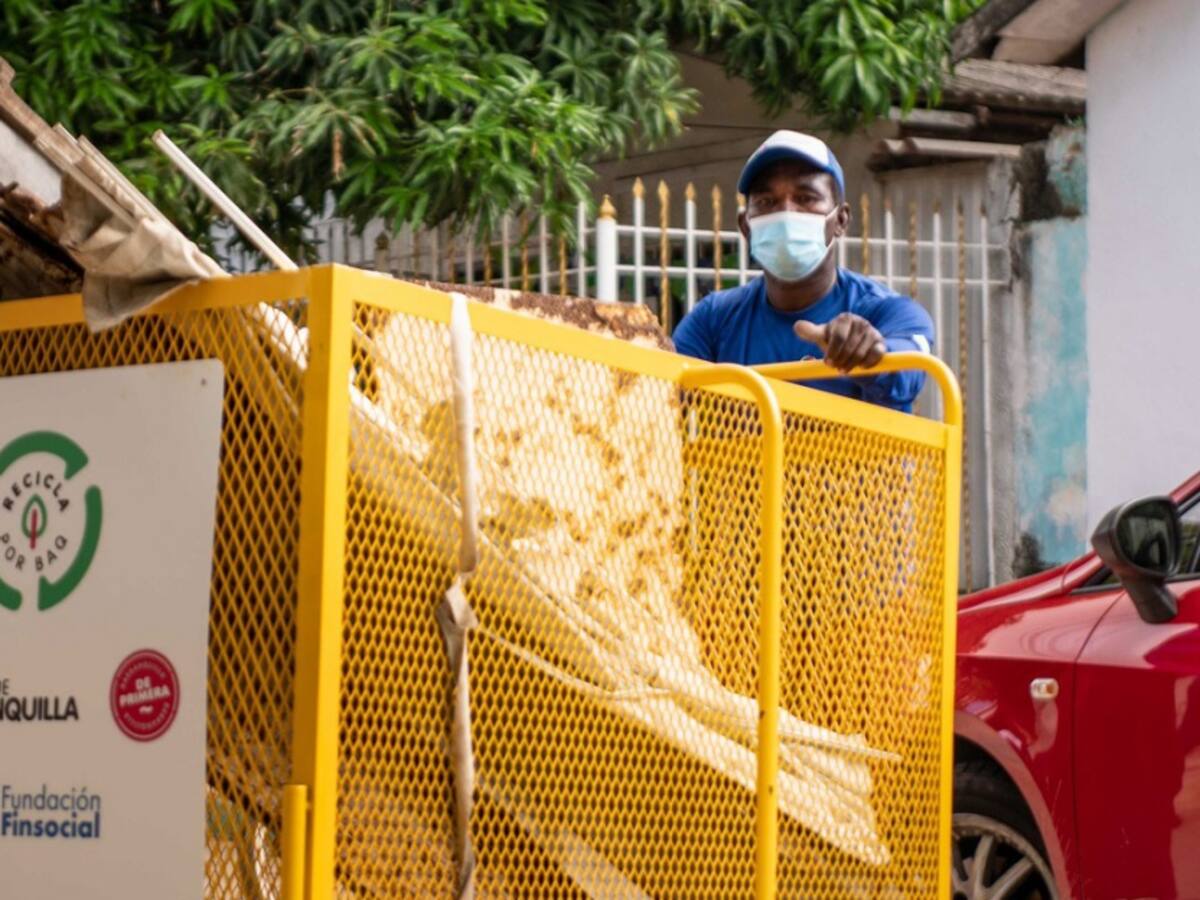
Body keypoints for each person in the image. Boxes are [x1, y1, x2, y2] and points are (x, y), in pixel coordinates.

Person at [672, 130, 934, 413]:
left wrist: (870, 354)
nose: (787, 213)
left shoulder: (890, 313)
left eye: (806, 198)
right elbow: (660, 394)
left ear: (840, 220)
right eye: (766, 202)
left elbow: (909, 373)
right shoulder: (712, 321)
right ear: (746, 226)